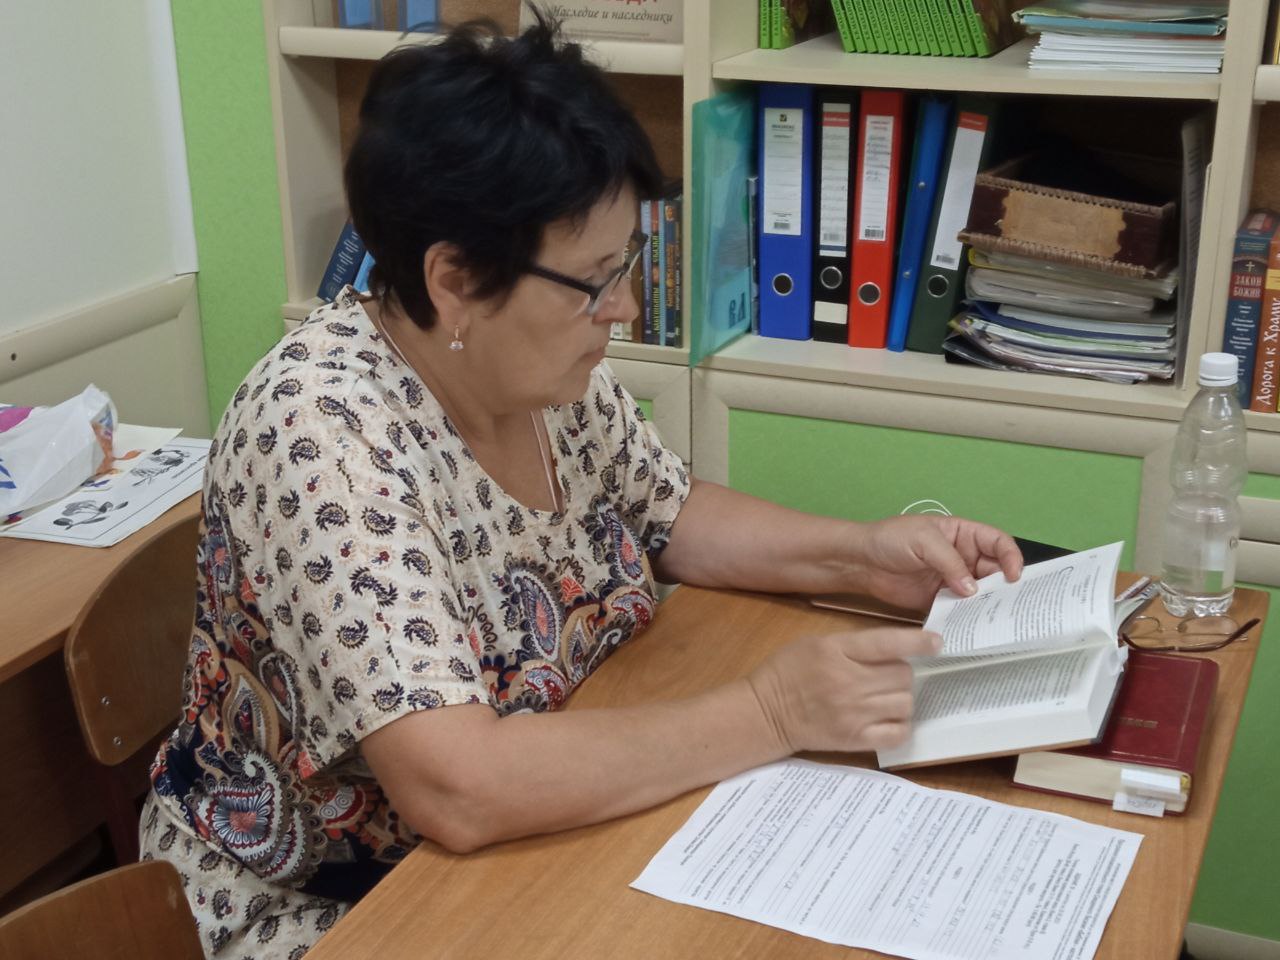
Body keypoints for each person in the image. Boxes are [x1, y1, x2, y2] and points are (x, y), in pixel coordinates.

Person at [140, 12, 1023, 959]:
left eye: (624, 265)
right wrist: (773, 711)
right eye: (595, 281)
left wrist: (862, 557)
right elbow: (458, 786)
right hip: (346, 909)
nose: (626, 307)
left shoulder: (535, 367)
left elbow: (669, 512)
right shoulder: (319, 434)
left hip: (544, 827)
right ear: (454, 280)